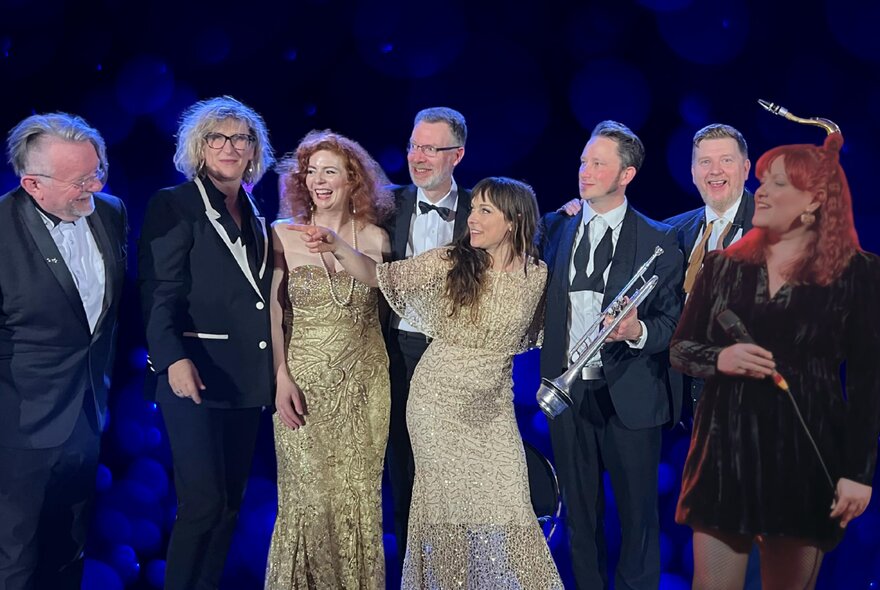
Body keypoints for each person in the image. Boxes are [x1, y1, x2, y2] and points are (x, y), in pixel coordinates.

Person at [295, 176, 562, 588]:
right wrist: (337, 246)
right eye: (472, 209)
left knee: (511, 509)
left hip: (493, 412)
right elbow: (380, 277)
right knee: (446, 513)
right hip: (437, 402)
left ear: (513, 220)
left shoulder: (538, 276)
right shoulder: (451, 261)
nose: (472, 218)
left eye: (484, 211)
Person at [672, 127, 880, 589]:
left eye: (778, 183)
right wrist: (722, 359)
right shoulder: (723, 265)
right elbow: (682, 348)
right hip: (724, 452)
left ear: (814, 201)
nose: (761, 190)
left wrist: (858, 473)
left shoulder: (859, 274)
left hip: (804, 453)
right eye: (764, 180)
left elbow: (869, 383)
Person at [138, 96, 275, 590]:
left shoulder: (256, 211)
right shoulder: (173, 204)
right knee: (202, 504)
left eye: (241, 139)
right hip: (192, 374)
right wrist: (172, 359)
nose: (230, 147)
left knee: (230, 505)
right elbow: (159, 293)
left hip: (243, 379)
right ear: (199, 147)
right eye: (218, 137)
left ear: (254, 150)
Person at [540, 121, 683, 589]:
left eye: (599, 163)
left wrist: (637, 329)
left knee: (639, 522)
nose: (585, 170)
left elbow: (672, 323)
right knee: (579, 519)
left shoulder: (660, 239)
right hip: (568, 393)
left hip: (632, 394)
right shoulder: (555, 226)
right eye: (584, 160)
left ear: (627, 175)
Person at [0, 113, 127, 589]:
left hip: (88, 417)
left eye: (98, 171)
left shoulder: (111, 212)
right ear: (33, 183)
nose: (93, 186)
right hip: (17, 429)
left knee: (68, 553)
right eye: (80, 180)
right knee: (14, 562)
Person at [264, 130, 394, 589]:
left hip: (364, 388)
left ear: (351, 179)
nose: (319, 180)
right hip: (304, 385)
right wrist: (280, 377)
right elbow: (275, 314)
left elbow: (379, 284)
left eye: (330, 171)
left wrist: (338, 244)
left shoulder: (375, 237)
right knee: (308, 496)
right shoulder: (280, 235)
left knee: (357, 496)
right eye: (311, 172)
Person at [383, 106, 472, 558]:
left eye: (430, 148)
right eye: (414, 146)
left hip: (458, 359)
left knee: (455, 481)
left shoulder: (484, 209)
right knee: (405, 475)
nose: (418, 157)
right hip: (397, 351)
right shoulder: (387, 205)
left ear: (457, 155)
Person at [663, 123, 755, 415]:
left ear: (745, 168)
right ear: (693, 173)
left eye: (726, 161)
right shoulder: (670, 231)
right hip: (691, 395)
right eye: (705, 162)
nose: (715, 171)